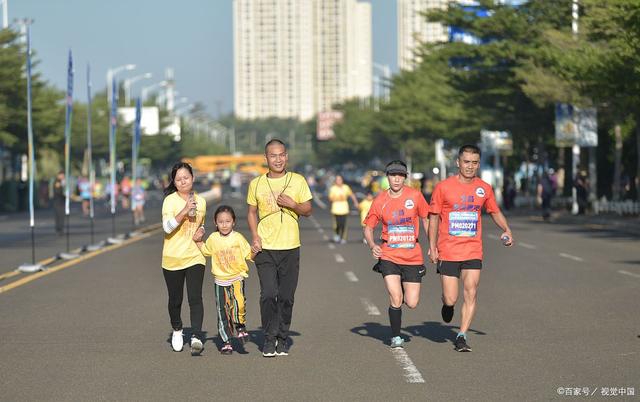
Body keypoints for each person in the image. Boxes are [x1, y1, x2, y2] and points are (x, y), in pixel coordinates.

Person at [428, 144, 514, 352]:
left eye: (474, 163)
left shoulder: (483, 188)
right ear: (458, 162)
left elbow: (494, 211)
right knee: (451, 298)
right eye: (466, 162)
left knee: (471, 291)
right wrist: (432, 246)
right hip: (448, 249)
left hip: (472, 249)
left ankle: (461, 335)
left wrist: (507, 229)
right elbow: (434, 218)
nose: (470, 166)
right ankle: (447, 306)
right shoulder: (443, 187)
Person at [247, 139, 313, 357]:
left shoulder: (298, 180)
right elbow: (251, 212)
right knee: (268, 294)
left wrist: (293, 204)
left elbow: (308, 210)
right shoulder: (256, 183)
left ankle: (282, 338)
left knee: (286, 296)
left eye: (281, 155)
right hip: (265, 248)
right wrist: (255, 236)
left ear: (287, 156)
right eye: (273, 155)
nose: (278, 159)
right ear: (265, 158)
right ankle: (268, 338)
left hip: (290, 247)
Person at [363, 160, 430, 349]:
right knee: (395, 297)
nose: (397, 179)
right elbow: (368, 228)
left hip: (412, 256)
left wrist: (433, 244)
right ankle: (396, 337)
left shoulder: (415, 196)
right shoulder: (380, 200)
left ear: (405, 177)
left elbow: (426, 219)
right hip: (389, 255)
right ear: (388, 177)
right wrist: (372, 245)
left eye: (400, 175)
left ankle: (402, 284)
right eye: (393, 175)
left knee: (412, 302)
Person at [193, 205, 255, 355]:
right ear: (215, 223)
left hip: (237, 277)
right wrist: (198, 241)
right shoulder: (214, 238)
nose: (224, 224)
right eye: (221, 222)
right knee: (222, 312)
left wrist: (256, 250)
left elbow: (249, 255)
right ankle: (226, 341)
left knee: (238, 303)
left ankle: (240, 325)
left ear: (233, 222)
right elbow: (206, 250)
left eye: (228, 221)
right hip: (220, 280)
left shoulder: (238, 237)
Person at [161, 162, 206, 356]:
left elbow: (201, 225)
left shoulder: (201, 201)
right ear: (174, 182)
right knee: (175, 299)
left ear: (192, 178)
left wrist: (202, 231)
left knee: (195, 297)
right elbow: (167, 228)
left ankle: (196, 335)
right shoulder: (170, 201)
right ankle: (177, 330)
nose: (182, 181)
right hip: (173, 257)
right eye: (178, 179)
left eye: (186, 177)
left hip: (195, 255)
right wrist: (184, 210)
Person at [328, 174, 358, 244]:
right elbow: (330, 198)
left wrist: (355, 202)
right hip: (336, 209)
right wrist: (338, 198)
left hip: (344, 209)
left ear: (342, 180)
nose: (339, 181)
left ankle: (343, 238)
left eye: (340, 179)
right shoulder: (333, 188)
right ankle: (337, 234)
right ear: (335, 181)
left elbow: (351, 195)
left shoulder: (346, 187)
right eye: (337, 180)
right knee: (337, 225)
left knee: (343, 224)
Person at [52, 171, 65, 235]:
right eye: (62, 175)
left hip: (59, 200)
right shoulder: (57, 181)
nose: (63, 177)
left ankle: (59, 228)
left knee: (59, 215)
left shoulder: (59, 181)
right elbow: (58, 192)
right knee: (60, 215)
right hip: (58, 201)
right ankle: (59, 229)